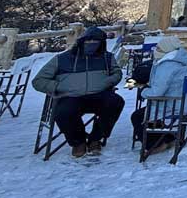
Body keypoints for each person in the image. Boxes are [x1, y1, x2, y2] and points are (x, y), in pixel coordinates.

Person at [32, 26, 124, 158]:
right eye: (88, 41)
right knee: (64, 112)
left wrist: (107, 82)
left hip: (98, 94)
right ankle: (77, 142)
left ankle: (96, 138)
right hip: (71, 96)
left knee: (115, 102)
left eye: (96, 42)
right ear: (82, 41)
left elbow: (117, 73)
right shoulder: (62, 59)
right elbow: (39, 81)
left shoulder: (106, 58)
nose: (92, 45)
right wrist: (59, 87)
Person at [129, 35, 187, 157]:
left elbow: (157, 92)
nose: (156, 51)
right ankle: (169, 138)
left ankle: (154, 144)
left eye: (159, 48)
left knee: (138, 116)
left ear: (166, 50)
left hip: (173, 102)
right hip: (186, 101)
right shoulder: (180, 60)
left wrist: (143, 90)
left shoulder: (167, 65)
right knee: (150, 111)